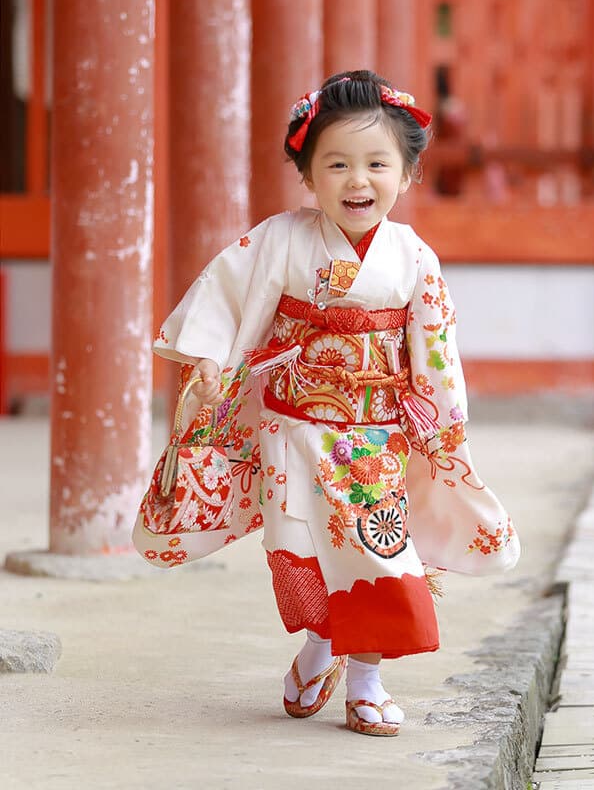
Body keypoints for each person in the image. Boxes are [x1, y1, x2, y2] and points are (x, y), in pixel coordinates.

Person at [143, 69, 520, 737]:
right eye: (337, 163)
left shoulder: (412, 257)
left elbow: (435, 347)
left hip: (374, 437)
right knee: (303, 552)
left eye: (377, 164)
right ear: (308, 175)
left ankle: (367, 680)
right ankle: (320, 645)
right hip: (291, 428)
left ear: (406, 176)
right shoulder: (281, 239)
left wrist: (444, 427)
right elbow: (225, 299)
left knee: (379, 555)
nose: (357, 180)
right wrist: (207, 357)